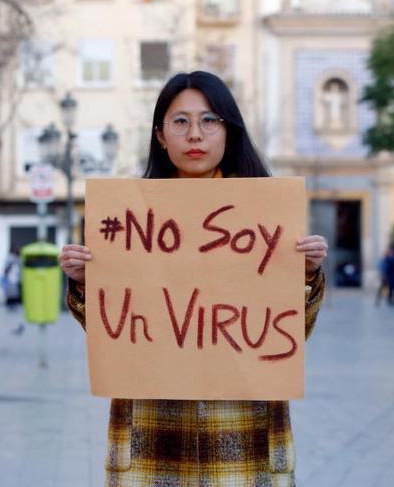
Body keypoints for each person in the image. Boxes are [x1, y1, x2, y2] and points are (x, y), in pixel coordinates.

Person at [59, 71, 328, 486]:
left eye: (210, 120)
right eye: (180, 121)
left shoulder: (266, 218)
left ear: (228, 131)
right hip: (152, 434)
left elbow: (286, 335)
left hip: (244, 430)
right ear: (161, 136)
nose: (195, 134)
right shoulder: (129, 219)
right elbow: (112, 331)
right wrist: (83, 282)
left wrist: (305, 275)